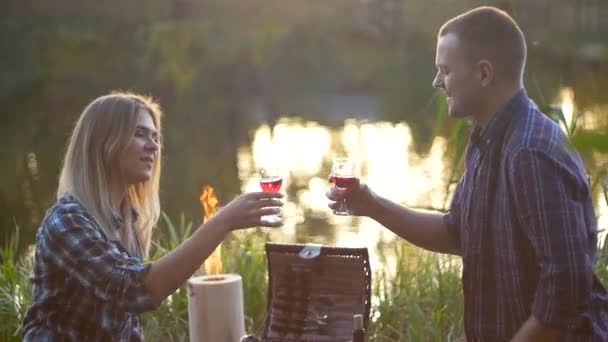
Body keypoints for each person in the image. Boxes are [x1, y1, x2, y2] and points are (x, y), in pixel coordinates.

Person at [328, 6, 608, 341]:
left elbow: (564, 291)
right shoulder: (486, 140)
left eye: (445, 70)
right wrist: (371, 205)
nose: (436, 82)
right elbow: (459, 232)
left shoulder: (530, 152)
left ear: (484, 73)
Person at [22, 92, 284, 341]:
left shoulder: (126, 219)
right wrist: (223, 221)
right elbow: (135, 291)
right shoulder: (67, 221)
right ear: (104, 143)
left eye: (155, 137)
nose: (153, 146)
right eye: (139, 134)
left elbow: (126, 327)